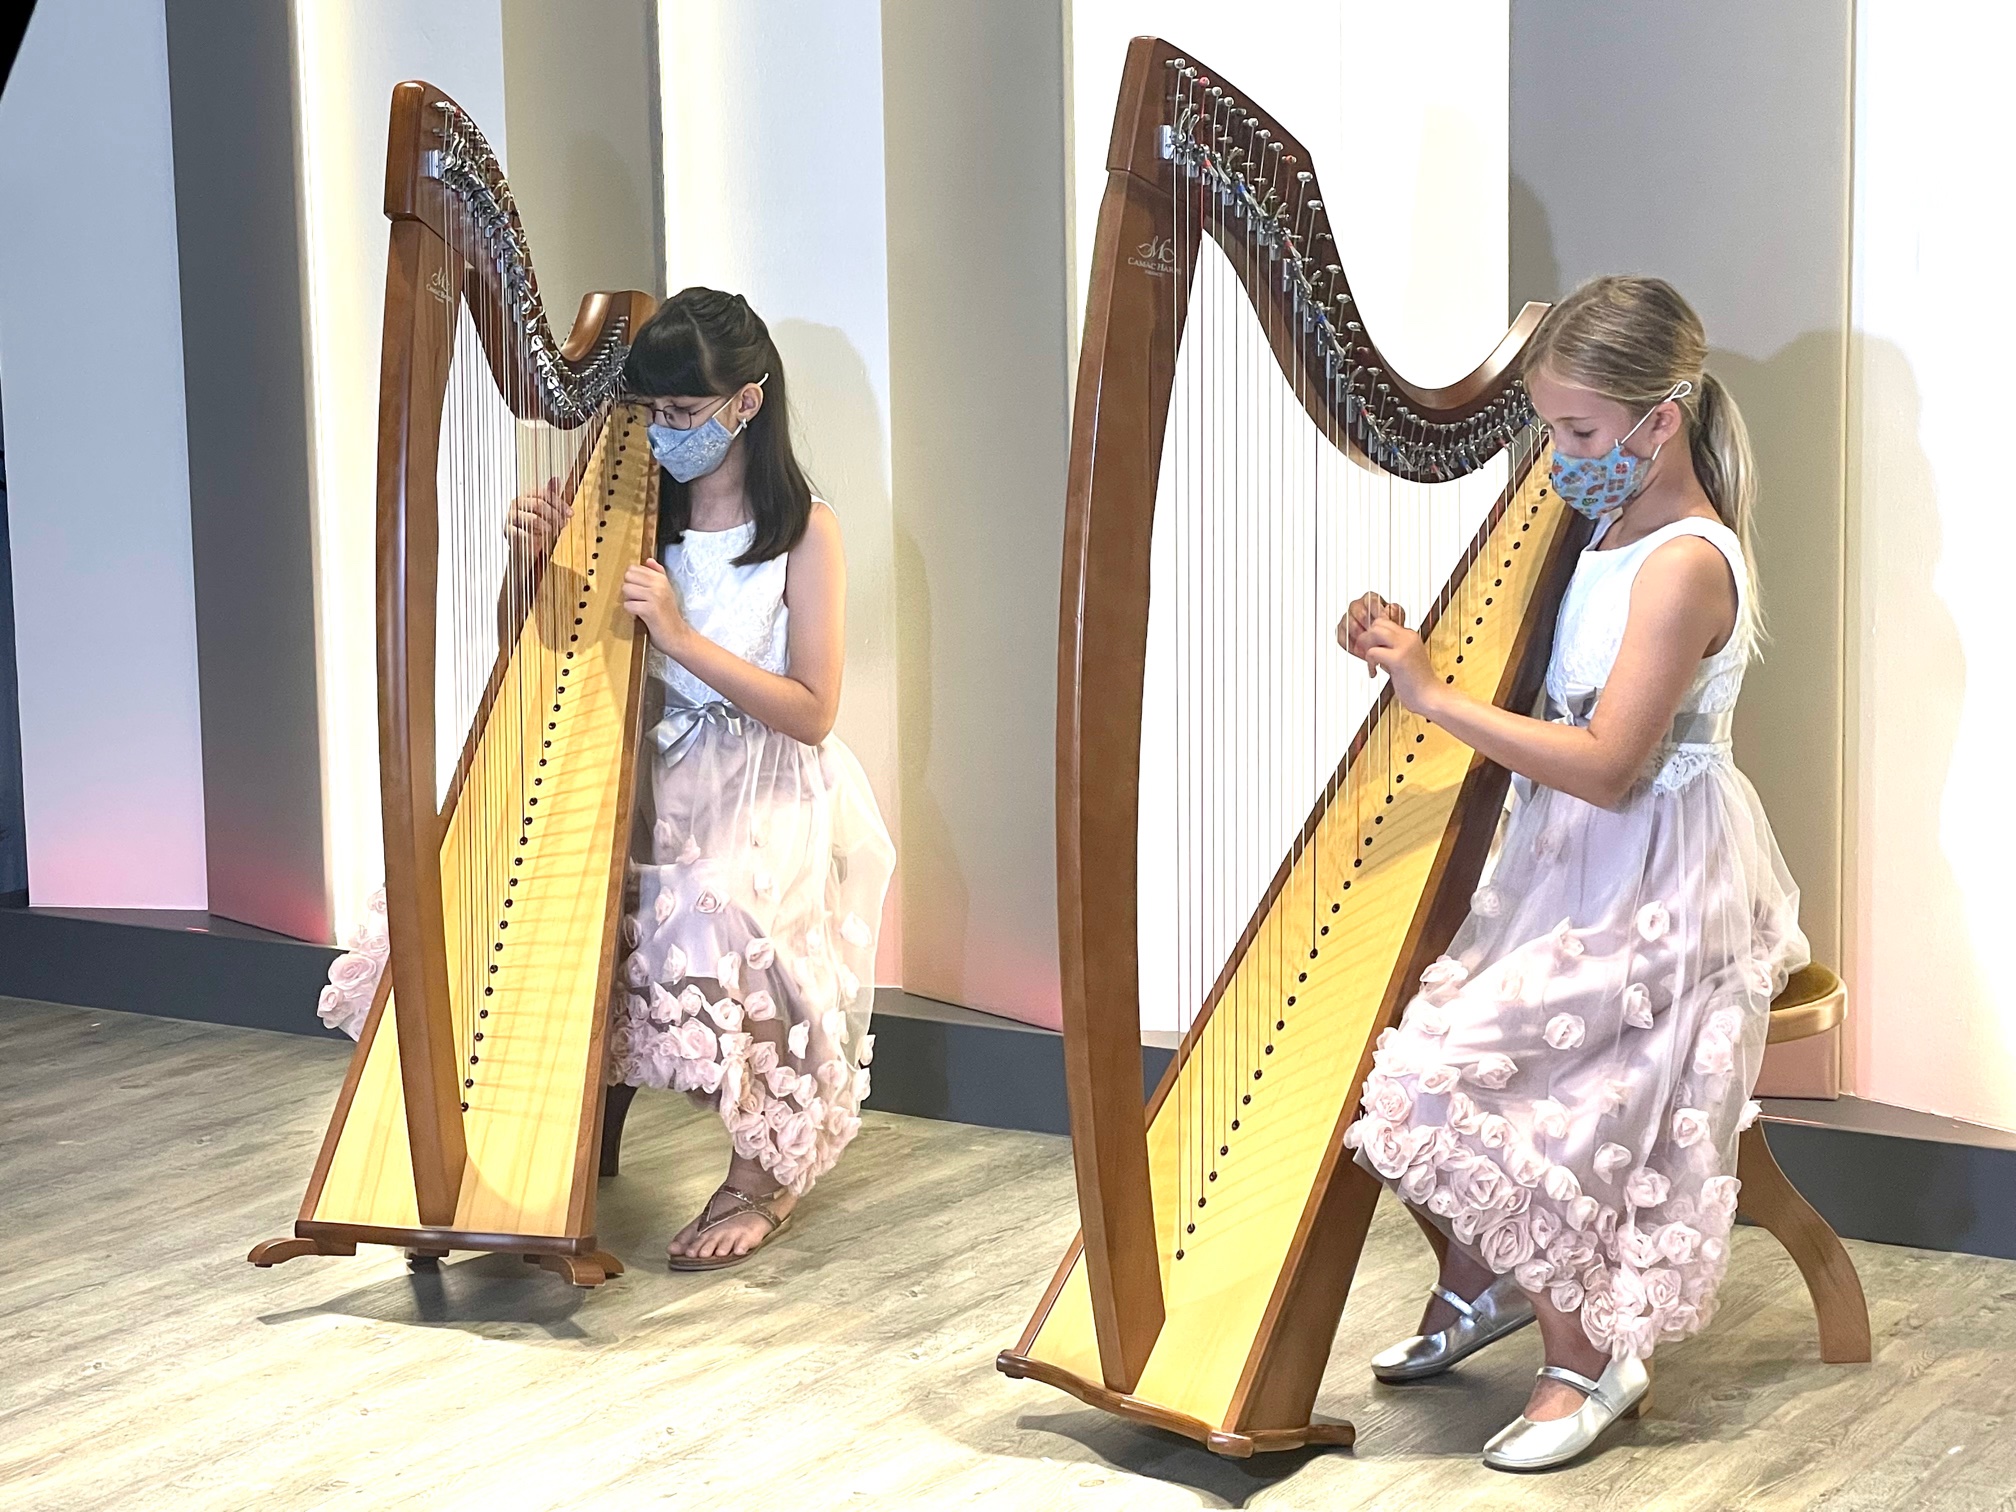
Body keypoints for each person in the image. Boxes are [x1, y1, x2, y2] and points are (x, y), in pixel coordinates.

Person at [319, 287, 893, 1271]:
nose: (662, 431)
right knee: (505, 893)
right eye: (650, 411)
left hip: (754, 782)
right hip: (637, 765)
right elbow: (535, 645)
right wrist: (533, 564)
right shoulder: (631, 509)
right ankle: (539, 1130)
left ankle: (765, 1174)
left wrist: (679, 635)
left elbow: (813, 708)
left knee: (719, 905)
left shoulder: (805, 533)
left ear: (746, 404)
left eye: (682, 412)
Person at [1337, 275, 1808, 1471]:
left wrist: (1429, 693)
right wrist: (1410, 642)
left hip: (1658, 875)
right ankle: (1486, 1278)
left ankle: (1591, 1358)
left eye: (1581, 432)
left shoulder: (1685, 563)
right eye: (1548, 428)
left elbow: (1605, 765)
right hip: (1570, 866)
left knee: (1491, 1082)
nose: (1560, 458)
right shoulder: (1602, 529)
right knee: (1409, 1054)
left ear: (1663, 418)